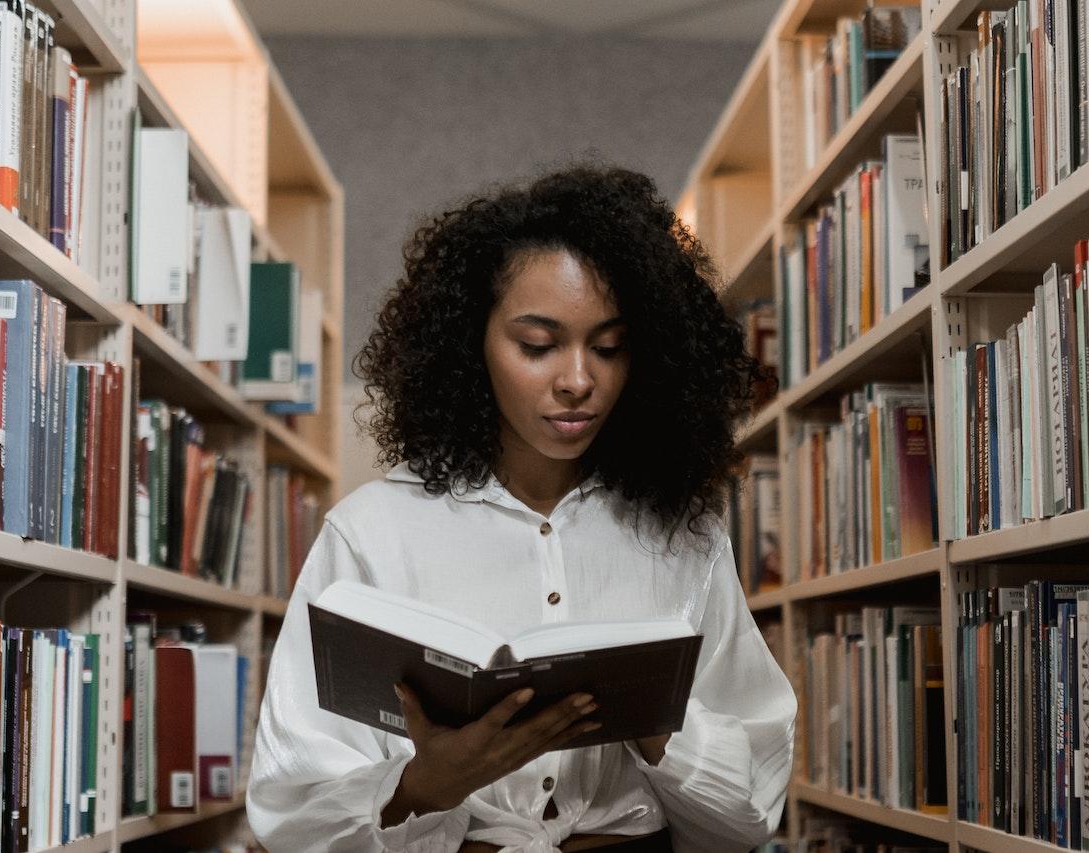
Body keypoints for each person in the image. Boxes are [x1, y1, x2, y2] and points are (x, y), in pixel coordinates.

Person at [247, 164, 797, 852]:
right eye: (536, 345)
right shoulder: (369, 532)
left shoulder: (683, 536)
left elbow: (747, 816)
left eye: (609, 347)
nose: (577, 380)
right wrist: (425, 785)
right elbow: (292, 811)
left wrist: (653, 720)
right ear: (469, 344)